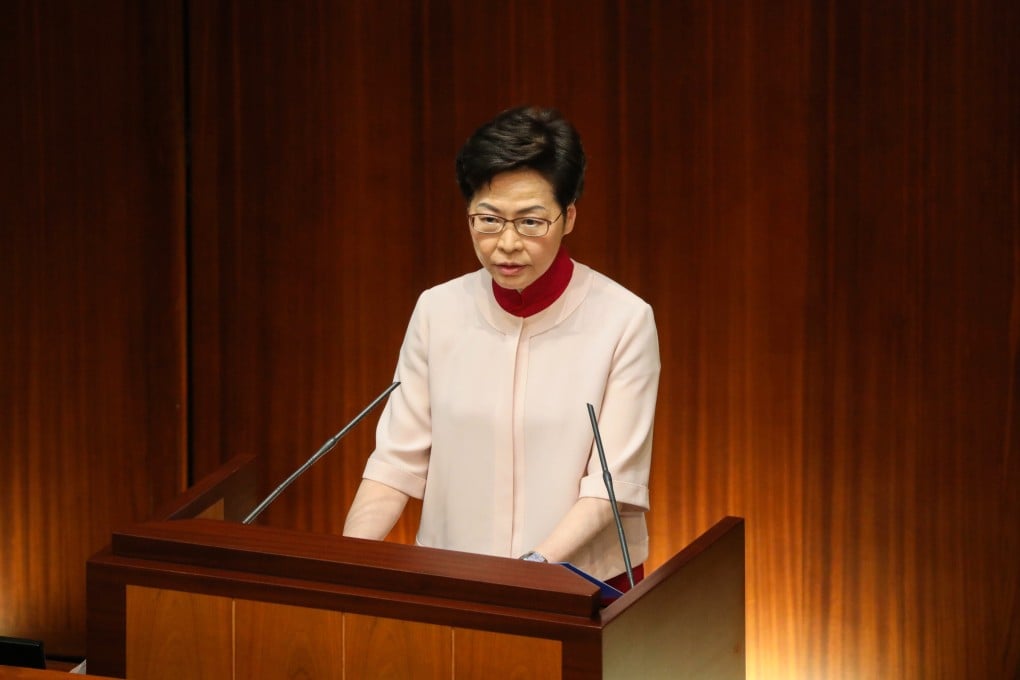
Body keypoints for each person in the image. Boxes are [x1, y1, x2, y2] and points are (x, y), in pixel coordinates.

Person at [343, 106, 660, 589]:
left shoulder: (623, 320)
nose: (506, 244)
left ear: (568, 215)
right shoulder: (437, 310)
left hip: (578, 584)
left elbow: (609, 488)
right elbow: (395, 463)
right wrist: (342, 566)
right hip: (454, 580)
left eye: (531, 222)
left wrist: (526, 575)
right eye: (488, 220)